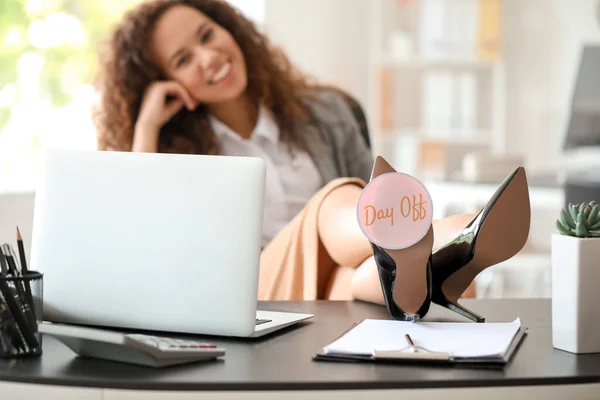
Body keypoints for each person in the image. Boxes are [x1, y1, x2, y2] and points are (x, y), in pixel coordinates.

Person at [94, 0, 477, 304]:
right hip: (252, 295)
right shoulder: (174, 157)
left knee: (385, 278)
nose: (208, 57)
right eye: (183, 60)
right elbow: (139, 241)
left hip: (327, 289)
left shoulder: (326, 111)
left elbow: (376, 188)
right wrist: (146, 129)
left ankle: (444, 249)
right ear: (166, 84)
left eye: (208, 35)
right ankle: (437, 233)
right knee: (333, 200)